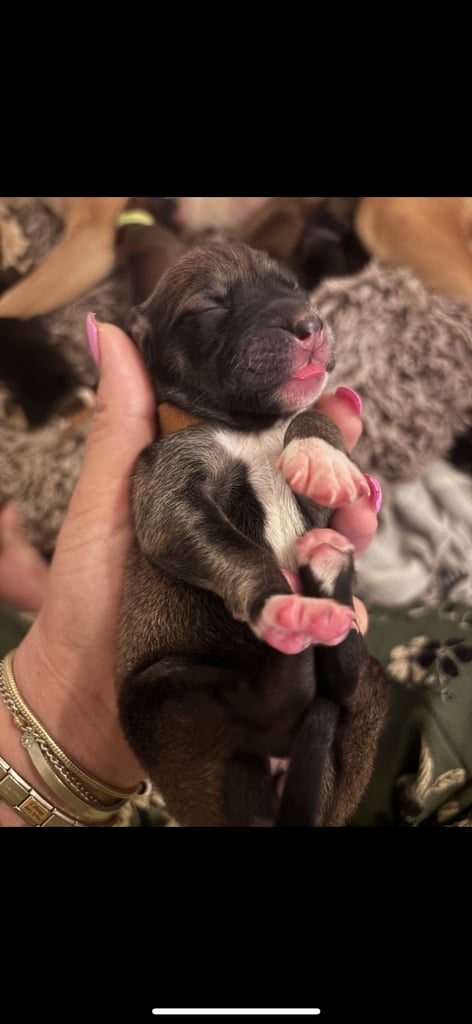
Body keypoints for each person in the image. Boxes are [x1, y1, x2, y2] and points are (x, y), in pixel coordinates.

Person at [0, 316, 380, 827]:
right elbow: (174, 525)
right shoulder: (175, 445)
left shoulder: (285, 416)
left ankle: (319, 664)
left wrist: (314, 438)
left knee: (360, 689)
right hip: (203, 693)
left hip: (261, 711)